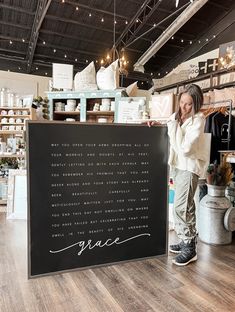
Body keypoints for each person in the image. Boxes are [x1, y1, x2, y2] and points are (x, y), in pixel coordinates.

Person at [149, 84, 207, 266]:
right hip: (177, 167)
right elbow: (172, 131)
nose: (183, 107)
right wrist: (160, 124)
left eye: (188, 104)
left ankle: (189, 248)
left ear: (196, 104)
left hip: (189, 168)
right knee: (187, 207)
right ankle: (186, 241)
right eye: (182, 102)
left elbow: (185, 149)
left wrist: (172, 124)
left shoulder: (198, 120)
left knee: (180, 208)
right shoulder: (178, 117)